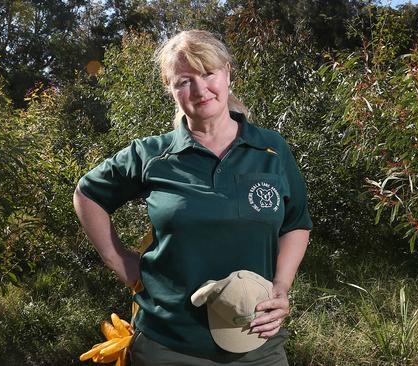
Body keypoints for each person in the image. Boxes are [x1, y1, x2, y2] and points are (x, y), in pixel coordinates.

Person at [73, 29, 312, 365]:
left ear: (227, 73)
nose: (200, 90)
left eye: (208, 73)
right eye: (185, 80)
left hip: (258, 340)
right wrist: (120, 260)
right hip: (167, 344)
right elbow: (87, 194)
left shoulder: (271, 150)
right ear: (171, 90)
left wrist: (281, 287)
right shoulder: (151, 154)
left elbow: (296, 224)